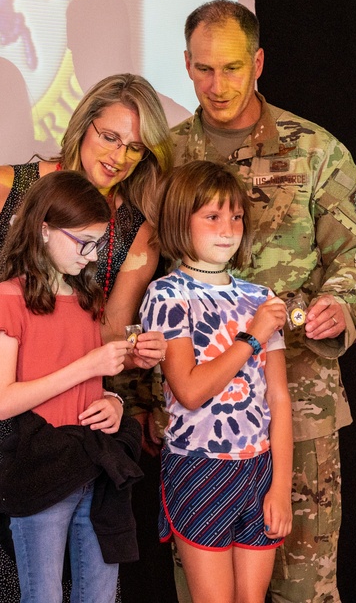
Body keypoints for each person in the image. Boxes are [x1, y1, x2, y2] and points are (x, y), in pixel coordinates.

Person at [0, 73, 171, 602]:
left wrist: (130, 353)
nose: (119, 156)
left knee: (47, 570)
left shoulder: (135, 229)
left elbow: (105, 330)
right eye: (109, 136)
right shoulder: (6, 184)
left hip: (59, 416)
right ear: (83, 126)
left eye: (135, 147)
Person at [172, 0, 356, 602]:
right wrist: (142, 400)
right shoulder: (164, 161)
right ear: (186, 65)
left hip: (300, 403)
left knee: (304, 588)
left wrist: (342, 306)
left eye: (233, 68)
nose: (218, 85)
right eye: (205, 69)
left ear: (259, 62)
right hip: (203, 416)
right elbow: (141, 278)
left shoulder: (314, 150)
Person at [0, 170, 144, 603]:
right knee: (44, 596)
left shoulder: (88, 299)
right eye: (82, 243)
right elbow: (3, 401)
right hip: (43, 467)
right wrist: (86, 366)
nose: (91, 257)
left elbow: (94, 387)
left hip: (95, 466)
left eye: (98, 245)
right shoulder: (9, 296)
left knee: (99, 595)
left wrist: (111, 400)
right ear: (43, 229)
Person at [140, 161, 293, 603]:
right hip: (200, 466)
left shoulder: (259, 298)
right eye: (212, 216)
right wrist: (252, 336)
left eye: (236, 217)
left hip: (259, 469)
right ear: (180, 221)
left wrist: (280, 487)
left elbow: (279, 399)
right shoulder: (167, 294)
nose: (228, 229)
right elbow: (189, 389)